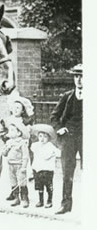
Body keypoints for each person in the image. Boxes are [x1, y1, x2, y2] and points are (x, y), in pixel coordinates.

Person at [50, 63, 82, 215]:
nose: (79, 80)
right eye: (76, 76)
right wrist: (59, 128)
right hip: (69, 137)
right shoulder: (67, 96)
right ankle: (66, 204)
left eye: (82, 76)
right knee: (67, 172)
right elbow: (54, 117)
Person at [0, 95, 34, 201]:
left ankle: (24, 194)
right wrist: (7, 138)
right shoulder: (7, 120)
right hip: (10, 149)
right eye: (14, 107)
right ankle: (14, 193)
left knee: (21, 173)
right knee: (11, 173)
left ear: (22, 110)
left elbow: (28, 135)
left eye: (18, 107)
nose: (15, 109)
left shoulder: (26, 121)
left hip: (21, 149)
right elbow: (2, 133)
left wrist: (27, 131)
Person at [1, 121, 30, 208]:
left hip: (19, 165)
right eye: (9, 130)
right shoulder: (9, 142)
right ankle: (16, 198)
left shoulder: (22, 143)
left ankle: (25, 199)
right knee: (13, 182)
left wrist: (24, 167)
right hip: (11, 165)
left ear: (19, 133)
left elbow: (25, 156)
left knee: (22, 182)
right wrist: (6, 148)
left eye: (13, 130)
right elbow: (4, 154)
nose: (10, 132)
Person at [30, 124, 59, 208]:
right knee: (39, 186)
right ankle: (41, 200)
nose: (42, 139)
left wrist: (52, 154)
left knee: (48, 185)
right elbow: (32, 148)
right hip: (37, 169)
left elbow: (55, 153)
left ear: (49, 138)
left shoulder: (50, 146)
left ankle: (49, 200)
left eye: (45, 137)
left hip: (47, 169)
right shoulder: (36, 145)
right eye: (40, 136)